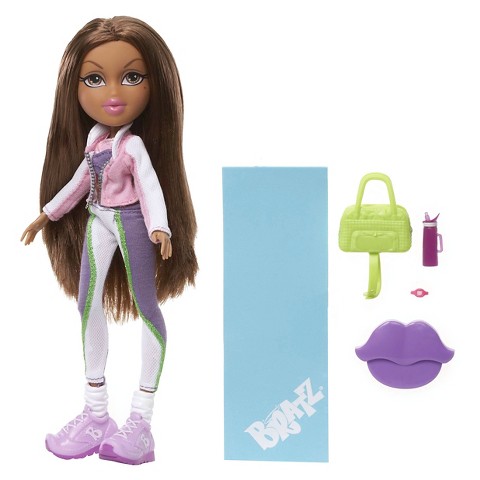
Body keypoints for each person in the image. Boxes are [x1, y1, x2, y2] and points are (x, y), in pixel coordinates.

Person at [21, 16, 197, 465]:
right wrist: (46, 215)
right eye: (95, 79)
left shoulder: (133, 146)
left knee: (146, 304)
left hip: (133, 221)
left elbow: (151, 186)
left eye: (132, 77)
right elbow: (78, 184)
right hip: (98, 220)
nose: (113, 93)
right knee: (87, 301)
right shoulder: (95, 142)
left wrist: (161, 226)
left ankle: (141, 419)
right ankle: (96, 412)